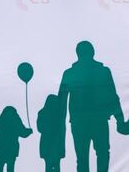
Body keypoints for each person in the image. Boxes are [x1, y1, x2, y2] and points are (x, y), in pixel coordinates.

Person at [58, 41, 124, 172]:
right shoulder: (103, 71)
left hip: (79, 122)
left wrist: (59, 126)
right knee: (103, 154)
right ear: (93, 52)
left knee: (82, 159)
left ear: (77, 54)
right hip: (98, 120)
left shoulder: (69, 74)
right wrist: (120, 120)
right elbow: (113, 97)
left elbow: (61, 102)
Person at [0, 106, 32, 172]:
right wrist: (29, 131)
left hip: (2, 150)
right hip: (12, 151)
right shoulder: (16, 123)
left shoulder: (1, 122)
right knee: (10, 169)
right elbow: (23, 133)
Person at [37, 94, 65, 172]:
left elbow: (39, 128)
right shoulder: (59, 115)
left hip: (47, 144)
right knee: (56, 166)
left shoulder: (42, 113)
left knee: (48, 166)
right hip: (56, 143)